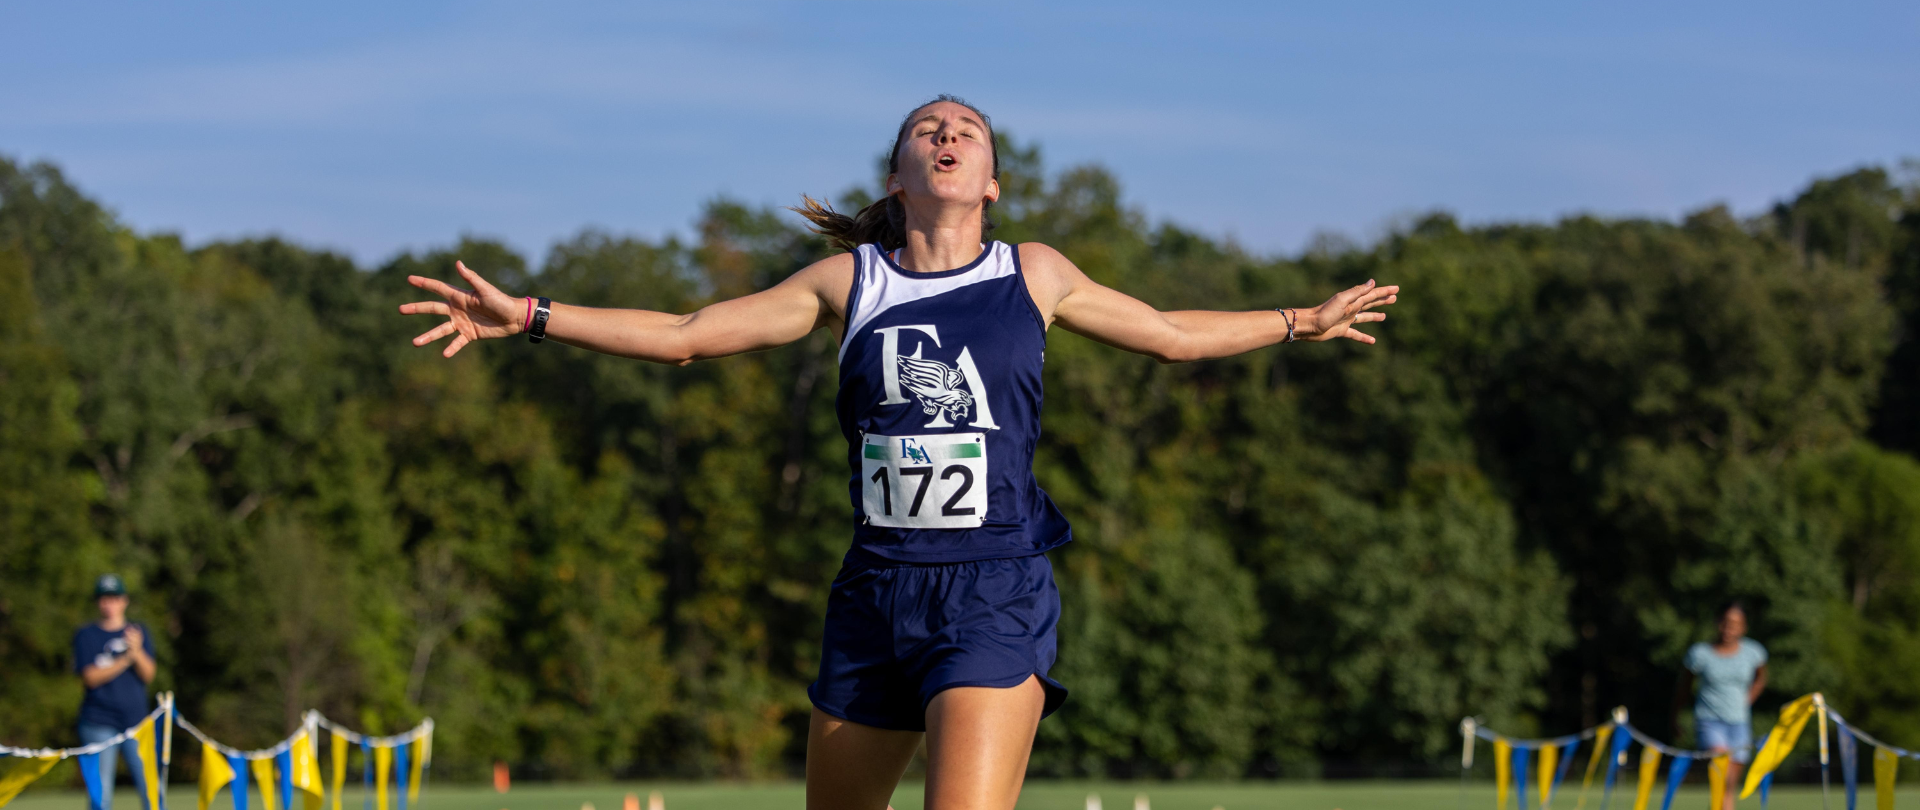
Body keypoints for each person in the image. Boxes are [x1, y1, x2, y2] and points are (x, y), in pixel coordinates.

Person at [399, 95, 1398, 810]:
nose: (947, 134)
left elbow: (1173, 335)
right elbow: (686, 333)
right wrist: (531, 314)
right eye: (928, 128)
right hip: (875, 595)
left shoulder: (1034, 273)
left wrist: (1298, 320)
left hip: (994, 589)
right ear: (898, 176)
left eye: (966, 130)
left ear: (992, 181)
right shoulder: (850, 283)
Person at [72, 573, 157, 810]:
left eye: (114, 598)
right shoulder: (86, 635)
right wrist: (125, 659)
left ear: (124, 600)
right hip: (98, 721)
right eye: (104, 598)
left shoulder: (138, 633)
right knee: (101, 795)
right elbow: (90, 677)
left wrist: (137, 652)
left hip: (137, 723)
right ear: (97, 602)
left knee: (151, 790)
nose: (109, 604)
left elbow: (149, 675)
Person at [1681, 600, 1768, 810]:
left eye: (1736, 624)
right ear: (1717, 622)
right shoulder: (1700, 653)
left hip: (1739, 722)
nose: (1730, 628)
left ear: (1744, 627)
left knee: (1729, 787)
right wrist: (1675, 716)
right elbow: (1683, 686)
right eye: (1726, 622)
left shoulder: (1753, 652)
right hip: (1709, 721)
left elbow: (1761, 679)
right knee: (1722, 771)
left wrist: (1747, 700)